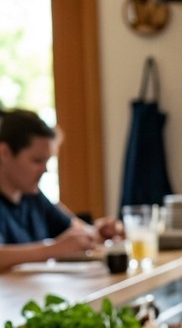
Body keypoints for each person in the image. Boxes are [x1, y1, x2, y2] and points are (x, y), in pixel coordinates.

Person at [0, 108, 123, 272]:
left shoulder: (34, 196)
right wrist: (51, 250)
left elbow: (74, 230)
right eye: (37, 160)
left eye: (47, 161)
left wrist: (98, 231)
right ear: (4, 152)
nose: (44, 170)